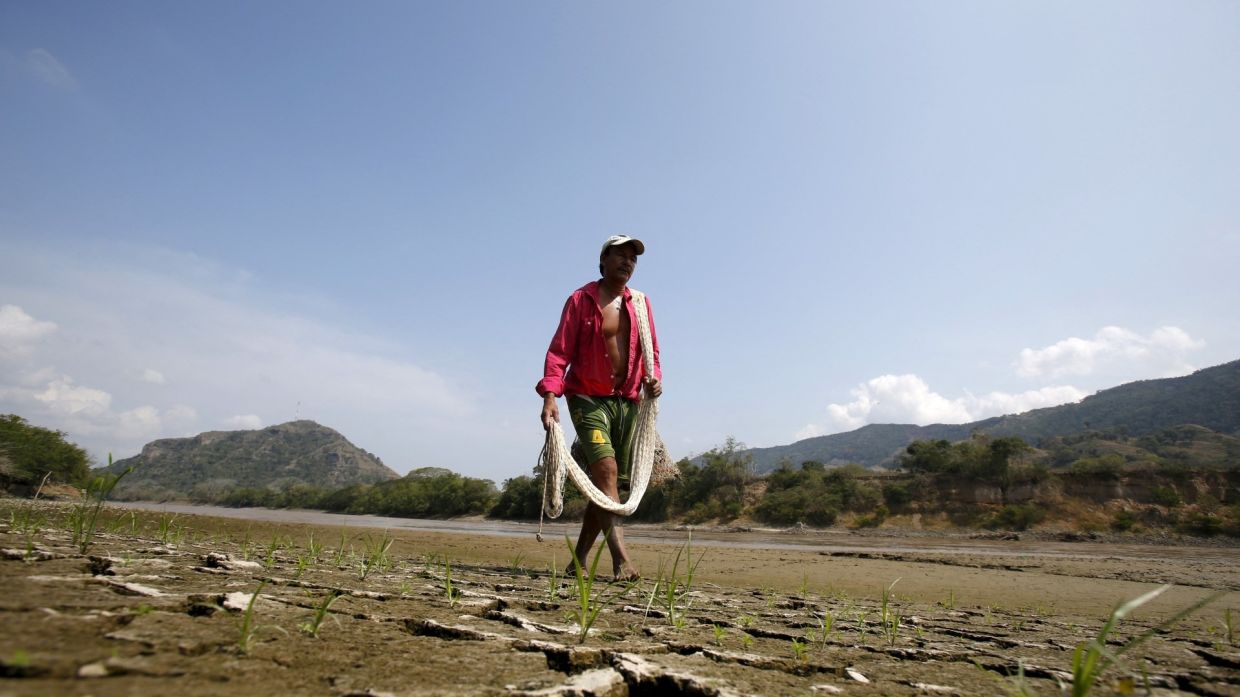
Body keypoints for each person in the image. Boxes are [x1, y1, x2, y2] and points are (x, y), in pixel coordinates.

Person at [537, 235, 662, 582]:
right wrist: (550, 395)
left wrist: (655, 380)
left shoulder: (641, 304)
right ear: (603, 260)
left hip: (627, 401)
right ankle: (622, 560)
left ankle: (577, 560)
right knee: (606, 472)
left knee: (606, 485)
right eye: (620, 255)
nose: (627, 262)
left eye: (632, 258)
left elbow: (652, 352)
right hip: (587, 397)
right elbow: (559, 352)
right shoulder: (581, 299)